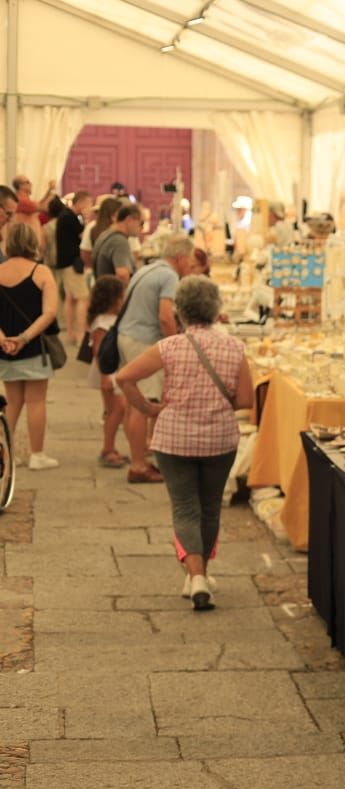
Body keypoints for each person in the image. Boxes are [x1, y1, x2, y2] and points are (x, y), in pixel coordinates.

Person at [115, 277, 252, 611]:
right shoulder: (234, 348)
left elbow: (124, 377)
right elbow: (246, 399)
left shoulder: (170, 346)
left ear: (180, 311)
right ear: (217, 310)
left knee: (185, 507)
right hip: (219, 439)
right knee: (209, 507)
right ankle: (199, 573)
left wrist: (148, 408)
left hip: (174, 439)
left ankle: (197, 577)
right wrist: (218, 408)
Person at [116, 235, 198, 484]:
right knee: (144, 404)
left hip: (128, 336)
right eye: (191, 262)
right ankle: (139, 466)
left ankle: (137, 458)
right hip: (143, 340)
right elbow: (165, 316)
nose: (191, 267)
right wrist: (175, 346)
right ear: (180, 257)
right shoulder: (169, 276)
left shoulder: (147, 269)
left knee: (134, 403)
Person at [0, 225, 61, 469]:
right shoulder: (41, 272)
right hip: (34, 348)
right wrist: (24, 338)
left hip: (4, 349)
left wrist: (4, 339)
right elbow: (49, 313)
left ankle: (7, 453)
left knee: (12, 402)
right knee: (36, 401)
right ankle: (37, 454)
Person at [86, 275, 128, 468]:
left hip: (112, 371)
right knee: (116, 410)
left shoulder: (110, 319)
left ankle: (110, 447)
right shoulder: (103, 322)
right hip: (108, 372)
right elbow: (99, 350)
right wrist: (106, 376)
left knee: (114, 410)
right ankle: (107, 448)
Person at [49, 191, 92, 345]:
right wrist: (86, 218)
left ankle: (71, 333)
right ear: (80, 202)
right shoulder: (70, 217)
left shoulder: (64, 216)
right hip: (72, 263)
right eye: (88, 203)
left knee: (70, 298)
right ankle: (80, 335)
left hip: (65, 263)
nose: (89, 207)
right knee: (83, 298)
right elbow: (84, 235)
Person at [94, 202, 143, 282]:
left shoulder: (105, 234)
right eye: (141, 223)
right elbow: (122, 275)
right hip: (112, 292)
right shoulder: (120, 241)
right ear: (129, 220)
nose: (141, 228)